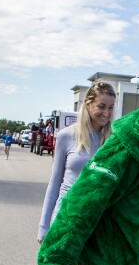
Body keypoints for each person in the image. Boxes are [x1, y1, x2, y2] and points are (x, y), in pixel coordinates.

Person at [37, 82, 116, 241]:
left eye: (111, 107)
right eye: (101, 106)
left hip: (98, 223)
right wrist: (43, 226)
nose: (106, 113)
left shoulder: (114, 140)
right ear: (88, 103)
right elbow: (55, 182)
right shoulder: (66, 136)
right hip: (66, 219)